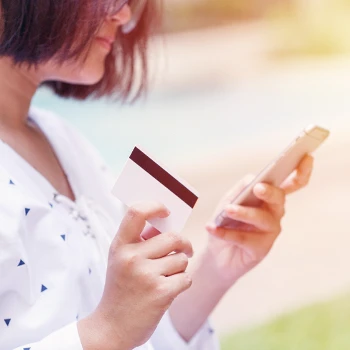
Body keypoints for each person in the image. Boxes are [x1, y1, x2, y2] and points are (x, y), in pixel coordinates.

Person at [0, 1, 314, 349]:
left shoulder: (65, 141)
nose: (122, 15)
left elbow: (138, 334)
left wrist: (217, 265)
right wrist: (105, 331)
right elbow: (112, 329)